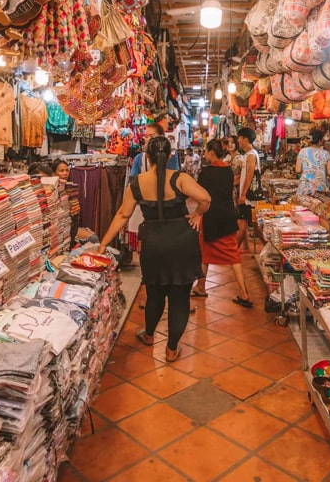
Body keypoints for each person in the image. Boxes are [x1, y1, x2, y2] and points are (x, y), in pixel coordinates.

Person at [98, 136, 211, 362]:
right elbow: (205, 198)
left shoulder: (136, 183)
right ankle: (171, 349)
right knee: (179, 298)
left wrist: (103, 244)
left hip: (153, 244)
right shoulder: (180, 178)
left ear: (146, 157)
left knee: (154, 295)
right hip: (181, 242)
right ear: (170, 155)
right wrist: (197, 214)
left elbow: (123, 215)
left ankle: (149, 335)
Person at [190, 139, 253, 307]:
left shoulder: (206, 172)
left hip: (211, 216)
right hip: (227, 215)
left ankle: (202, 286)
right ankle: (242, 292)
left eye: (206, 151)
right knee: (233, 254)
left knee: (204, 250)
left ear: (211, 152)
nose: (205, 154)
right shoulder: (228, 171)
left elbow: (201, 197)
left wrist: (197, 214)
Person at [236, 127, 259, 253]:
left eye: (239, 138)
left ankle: (233, 251)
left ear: (245, 139)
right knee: (252, 223)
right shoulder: (249, 155)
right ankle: (237, 249)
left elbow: (250, 175)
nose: (238, 141)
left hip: (249, 196)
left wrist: (243, 194)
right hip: (248, 196)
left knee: (242, 222)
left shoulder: (250, 155)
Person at [295, 129, 330, 195]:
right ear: (320, 140)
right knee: (318, 205)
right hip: (320, 188)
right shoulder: (326, 154)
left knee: (303, 204)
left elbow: (298, 170)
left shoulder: (302, 151)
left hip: (304, 188)